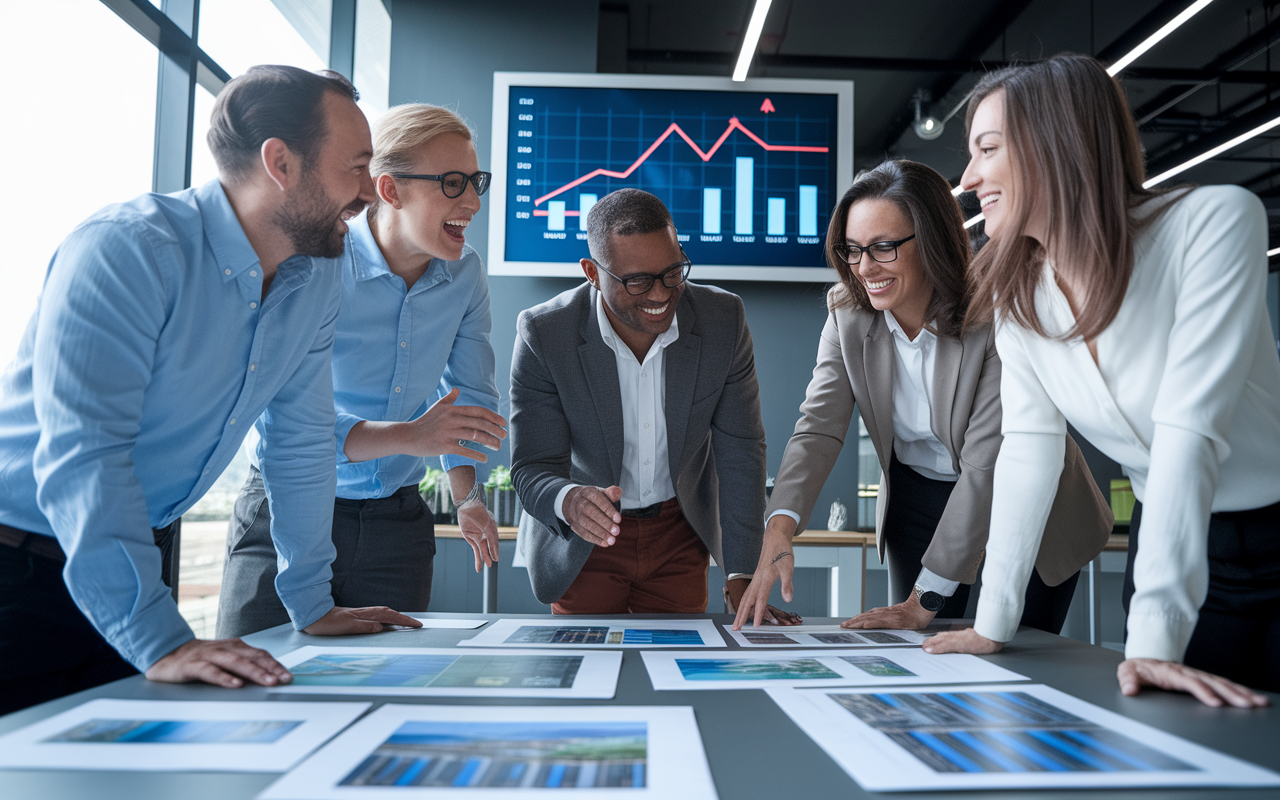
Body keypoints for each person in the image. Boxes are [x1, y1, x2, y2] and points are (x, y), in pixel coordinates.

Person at [0, 65, 423, 715]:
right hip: (18, 571)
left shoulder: (314, 279)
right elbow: (86, 456)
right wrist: (160, 639)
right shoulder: (128, 250)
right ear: (280, 162)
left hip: (131, 559)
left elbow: (301, 442)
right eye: (356, 167)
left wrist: (314, 603)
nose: (370, 192)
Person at [926, 53, 1280, 708]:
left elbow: (1189, 430)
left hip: (1267, 524)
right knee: (1187, 740)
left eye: (987, 149)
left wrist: (1154, 637)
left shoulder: (1212, 222)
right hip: (1174, 537)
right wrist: (993, 620)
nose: (970, 176)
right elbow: (1029, 453)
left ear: (1054, 140)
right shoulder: (1020, 296)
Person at [734, 160, 1111, 631]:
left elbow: (986, 465)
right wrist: (780, 528)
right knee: (919, 658)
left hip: (1022, 499)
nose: (865, 267)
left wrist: (924, 598)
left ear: (931, 240)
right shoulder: (847, 315)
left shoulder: (994, 313)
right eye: (852, 250)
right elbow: (819, 427)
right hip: (917, 502)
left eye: (884, 248)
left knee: (1016, 660)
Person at [216, 104, 506, 638]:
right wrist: (411, 436)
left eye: (475, 181)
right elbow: (288, 425)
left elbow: (466, 405)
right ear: (390, 190)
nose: (473, 201)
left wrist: (468, 497)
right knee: (252, 693)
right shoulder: (316, 263)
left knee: (387, 694)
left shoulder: (465, 276)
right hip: (286, 509)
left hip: (396, 529)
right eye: (452, 183)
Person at [510, 188, 795, 620]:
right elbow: (532, 466)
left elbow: (741, 452)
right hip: (589, 537)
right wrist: (568, 500)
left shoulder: (723, 319)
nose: (660, 293)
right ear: (592, 271)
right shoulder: (545, 333)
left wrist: (741, 574)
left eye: (672, 272)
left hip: (678, 535)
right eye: (637, 280)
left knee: (679, 670)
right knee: (588, 666)